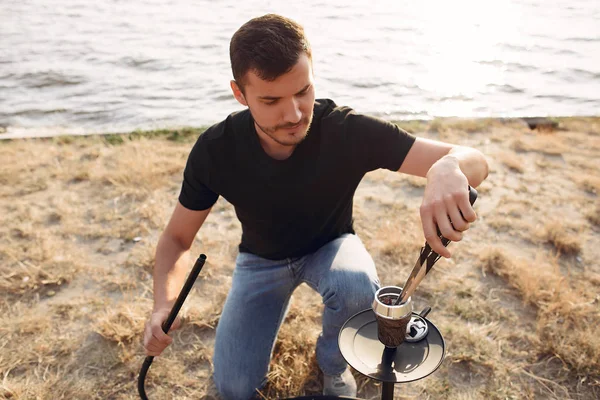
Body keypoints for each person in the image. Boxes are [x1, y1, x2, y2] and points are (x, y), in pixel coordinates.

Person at [143, 13, 488, 400]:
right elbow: (176, 238)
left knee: (357, 285)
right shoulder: (215, 150)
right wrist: (164, 304)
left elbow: (475, 159)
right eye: (271, 100)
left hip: (332, 245)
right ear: (240, 94)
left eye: (303, 91)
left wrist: (449, 165)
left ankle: (333, 366)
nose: (293, 114)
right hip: (260, 261)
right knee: (236, 390)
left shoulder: (344, 130)